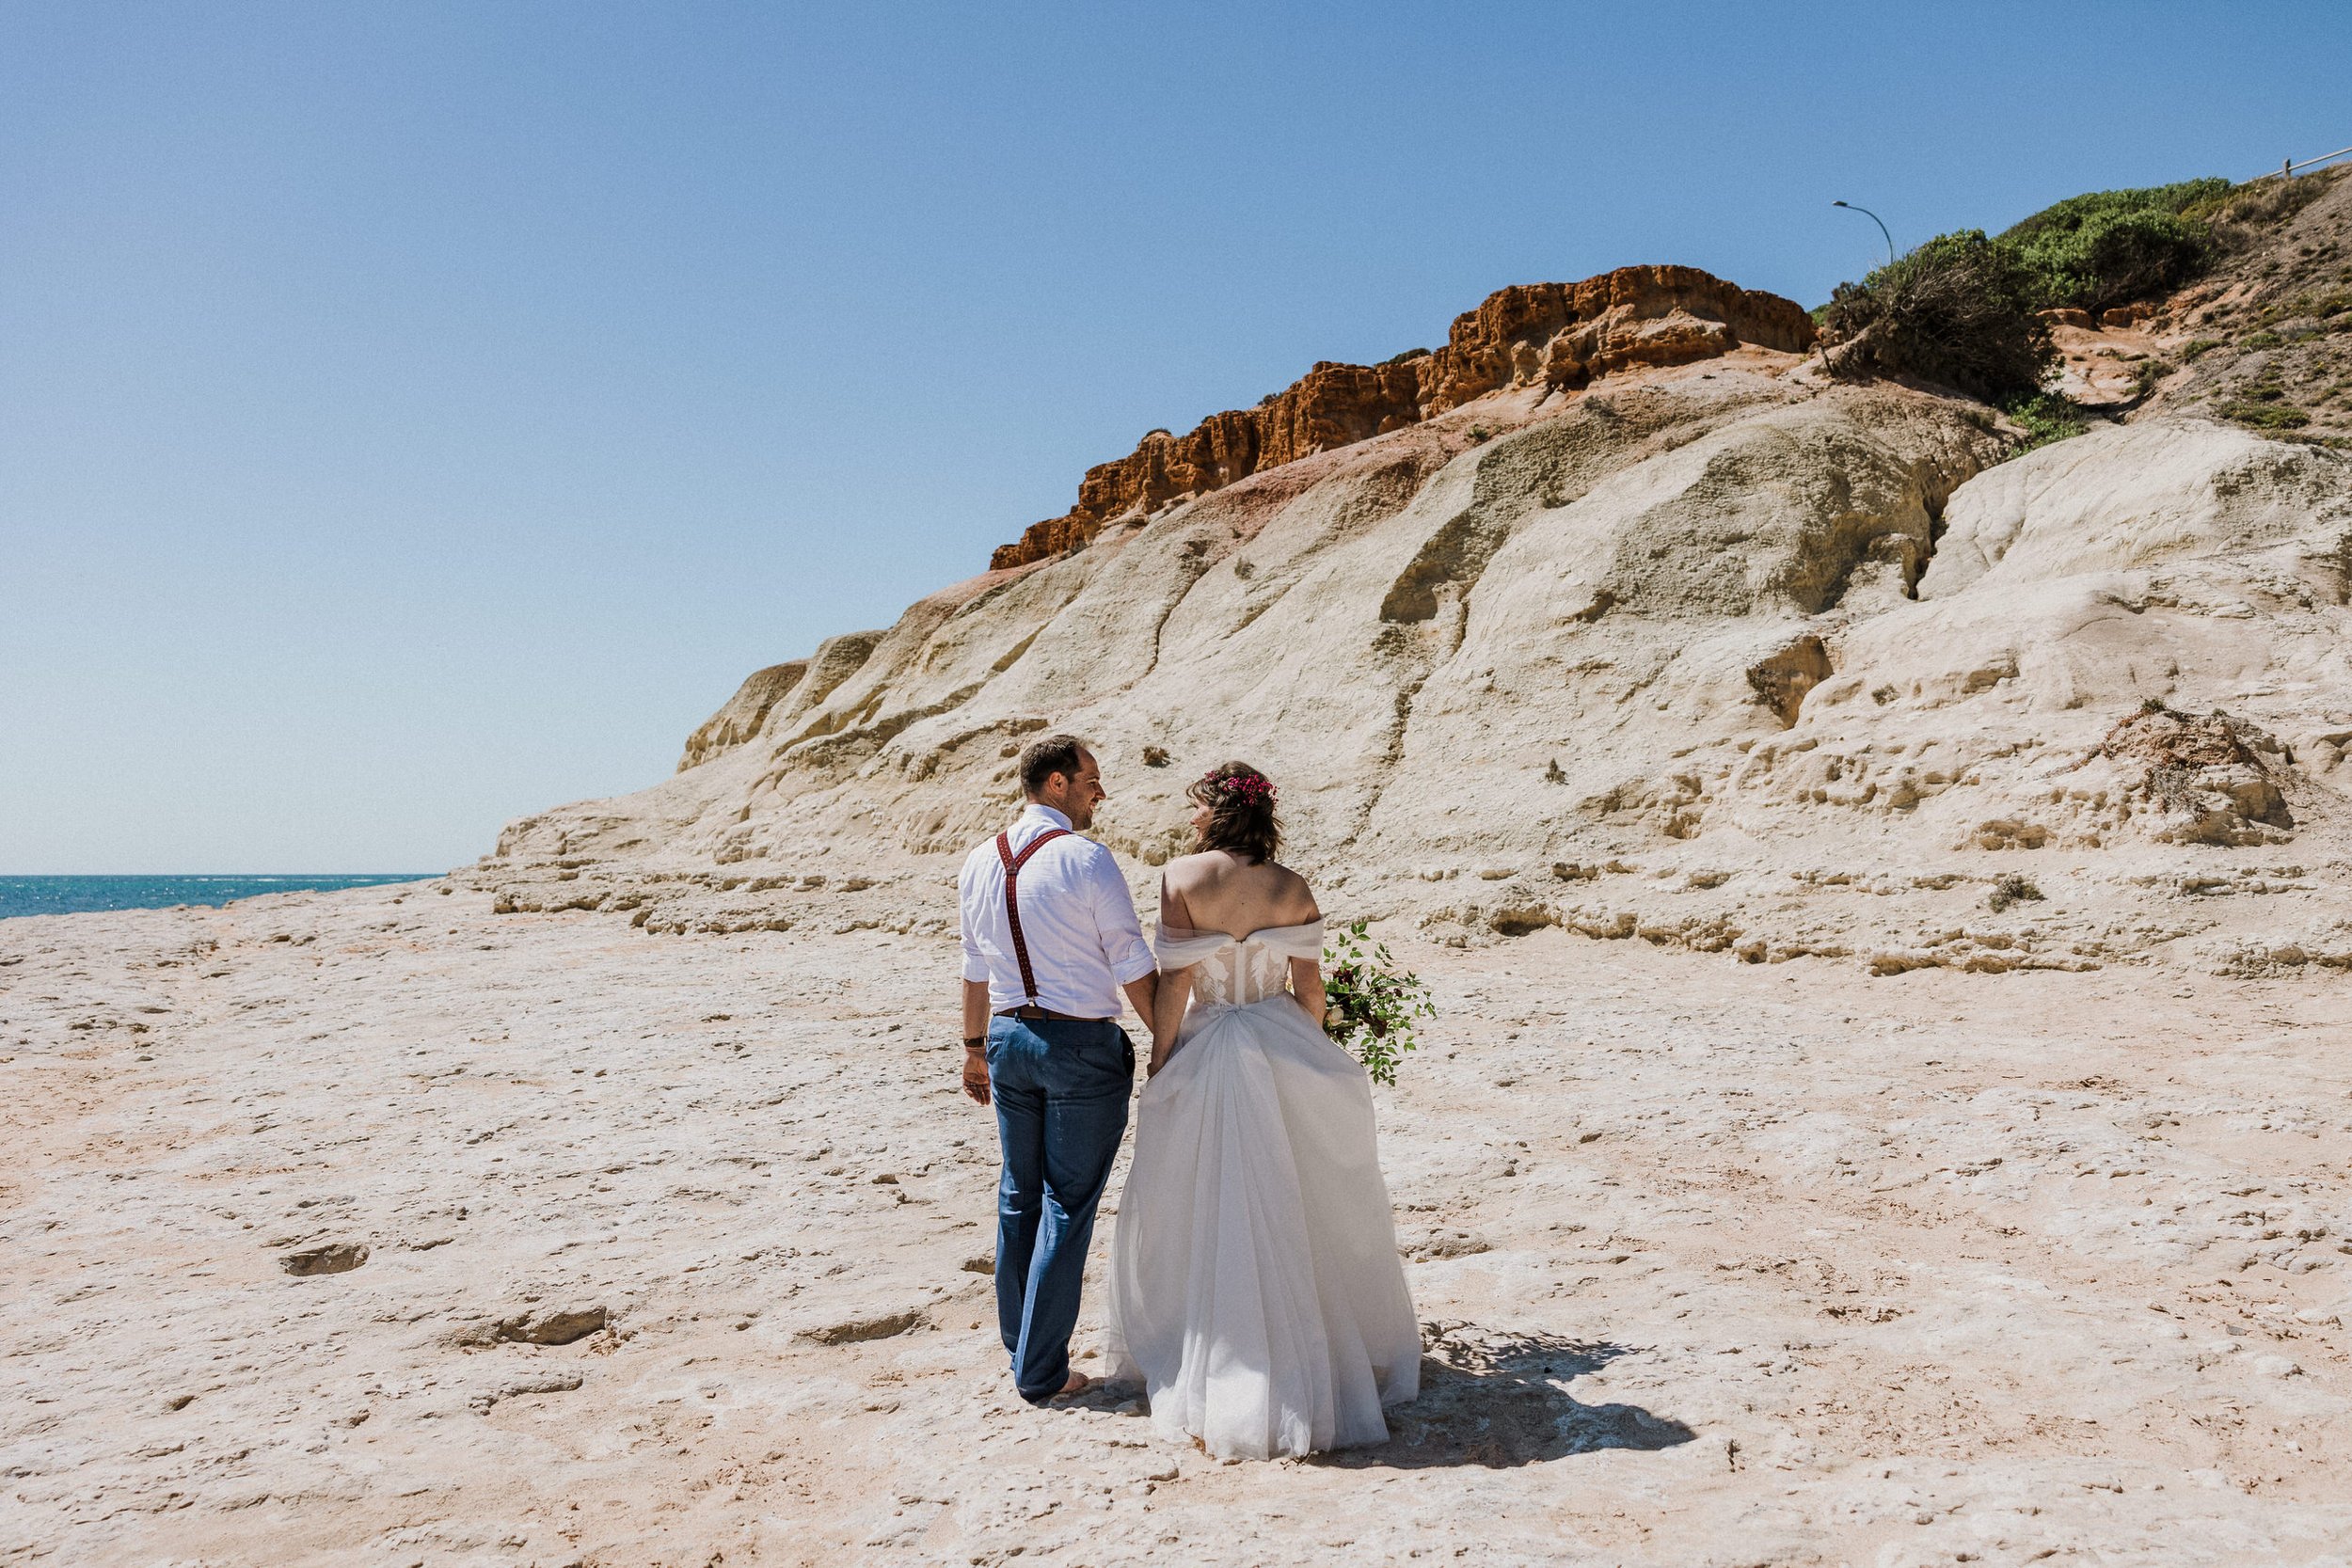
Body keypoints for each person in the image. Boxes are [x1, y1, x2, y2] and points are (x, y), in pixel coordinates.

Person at [1104, 762, 1420, 1459]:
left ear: (1216, 811)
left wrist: (1162, 1064)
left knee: (1202, 1198)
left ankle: (1219, 1346)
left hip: (1211, 1040)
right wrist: (1316, 1051)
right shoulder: (1291, 886)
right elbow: (1310, 988)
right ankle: (1306, 1349)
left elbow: (1179, 985)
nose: (1190, 819)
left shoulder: (1181, 878)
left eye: (1195, 807)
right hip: (1278, 1041)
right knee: (1296, 1194)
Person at [958, 734, 1158, 1405]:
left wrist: (972, 1046)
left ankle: (1022, 1346)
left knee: (1019, 1194)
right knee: (1066, 1204)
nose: (1101, 791)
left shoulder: (978, 859)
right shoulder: (1086, 858)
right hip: (1078, 1047)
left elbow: (974, 966)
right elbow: (1130, 959)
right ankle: (1041, 1370)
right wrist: (1172, 1038)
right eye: (1091, 779)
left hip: (1009, 1039)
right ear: (1055, 784)